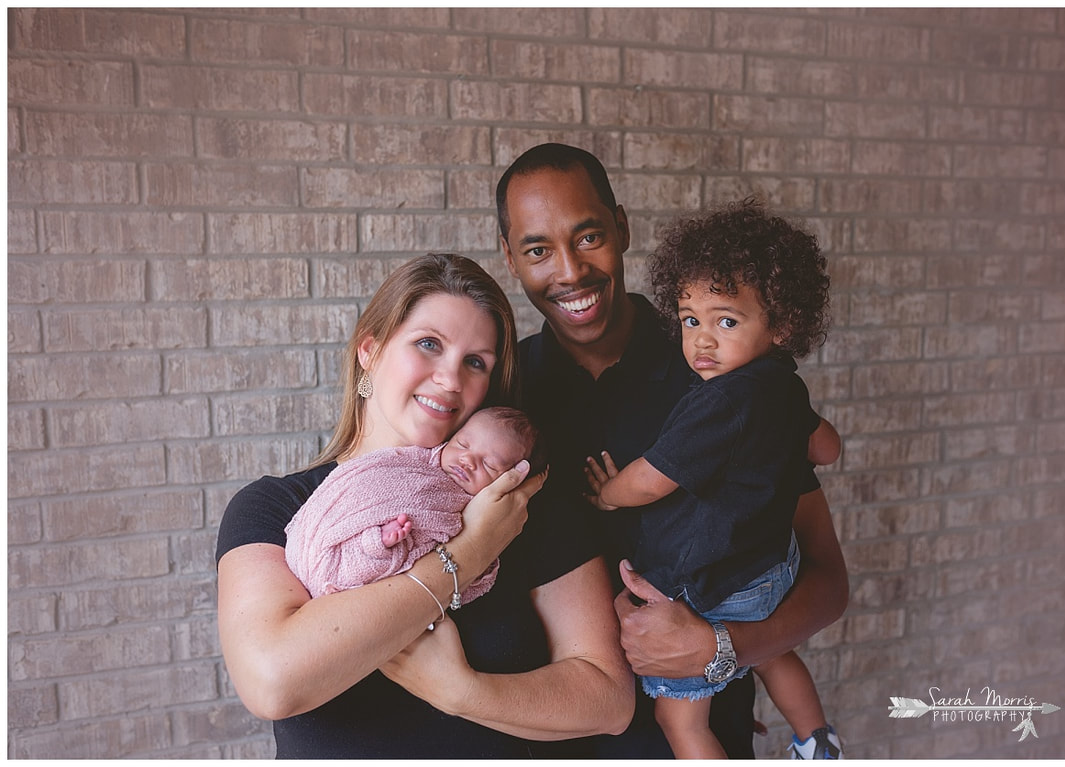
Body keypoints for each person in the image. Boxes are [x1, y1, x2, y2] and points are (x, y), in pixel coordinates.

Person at [496, 144, 849, 758]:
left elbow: (828, 582)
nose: (570, 272)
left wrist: (726, 648)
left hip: (699, 732)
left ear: (622, 228)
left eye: (588, 237)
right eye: (537, 250)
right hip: (555, 737)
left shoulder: (727, 373)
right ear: (510, 258)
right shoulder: (502, 393)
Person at [216, 253, 634, 758]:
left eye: (475, 362)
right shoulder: (275, 509)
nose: (451, 380)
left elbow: (610, 701)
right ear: (369, 351)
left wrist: (464, 692)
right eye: (429, 345)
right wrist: (470, 553)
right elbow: (272, 681)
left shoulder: (520, 502)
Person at [584, 199, 843, 759]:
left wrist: (608, 494)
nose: (702, 341)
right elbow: (827, 447)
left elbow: (652, 481)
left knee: (681, 723)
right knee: (773, 654)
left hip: (718, 587)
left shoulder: (720, 401)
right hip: (774, 569)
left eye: (725, 321)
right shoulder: (784, 385)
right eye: (690, 320)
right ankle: (817, 741)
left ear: (782, 324)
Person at [284, 406, 543, 605]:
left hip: (372, 574)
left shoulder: (477, 512)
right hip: (322, 544)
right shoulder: (415, 460)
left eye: (489, 465)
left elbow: (469, 580)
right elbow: (367, 478)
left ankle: (374, 546)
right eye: (462, 444)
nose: (467, 460)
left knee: (378, 551)